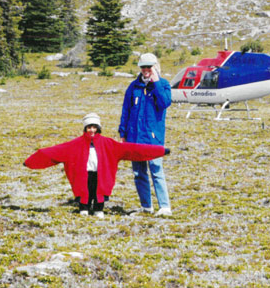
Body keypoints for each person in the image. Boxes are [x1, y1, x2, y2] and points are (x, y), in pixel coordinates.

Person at [24, 113, 170, 218]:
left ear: (98, 128)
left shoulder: (108, 144)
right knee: (84, 189)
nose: (92, 130)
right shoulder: (75, 144)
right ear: (85, 128)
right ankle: (84, 208)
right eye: (89, 127)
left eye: (94, 127)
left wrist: (160, 151)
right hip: (85, 174)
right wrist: (31, 162)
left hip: (99, 175)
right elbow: (52, 152)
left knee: (98, 190)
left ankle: (99, 209)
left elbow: (134, 150)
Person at [119, 53, 173, 216]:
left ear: (155, 66)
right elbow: (125, 111)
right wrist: (123, 133)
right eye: (143, 67)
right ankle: (146, 206)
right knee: (138, 172)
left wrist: (155, 83)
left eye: (149, 67)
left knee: (156, 169)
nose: (146, 70)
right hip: (134, 137)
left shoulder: (163, 84)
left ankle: (164, 207)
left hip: (153, 137)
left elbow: (165, 103)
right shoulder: (133, 86)